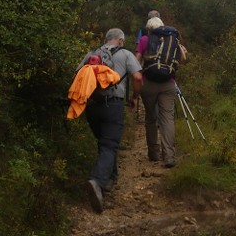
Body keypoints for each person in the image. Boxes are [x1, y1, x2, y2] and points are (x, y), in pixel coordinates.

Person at [76, 28, 142, 214]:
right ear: (120, 41)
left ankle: (110, 179)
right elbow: (137, 77)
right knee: (109, 144)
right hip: (112, 105)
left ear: (106, 40)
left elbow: (77, 76)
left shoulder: (92, 54)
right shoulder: (125, 54)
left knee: (104, 142)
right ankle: (97, 181)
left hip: (91, 107)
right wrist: (135, 97)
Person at [135, 16, 186, 168]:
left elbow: (137, 61)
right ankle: (169, 156)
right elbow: (182, 60)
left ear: (149, 28)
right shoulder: (173, 40)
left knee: (151, 118)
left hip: (148, 83)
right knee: (167, 119)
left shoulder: (144, 40)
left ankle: (153, 154)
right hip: (168, 84)